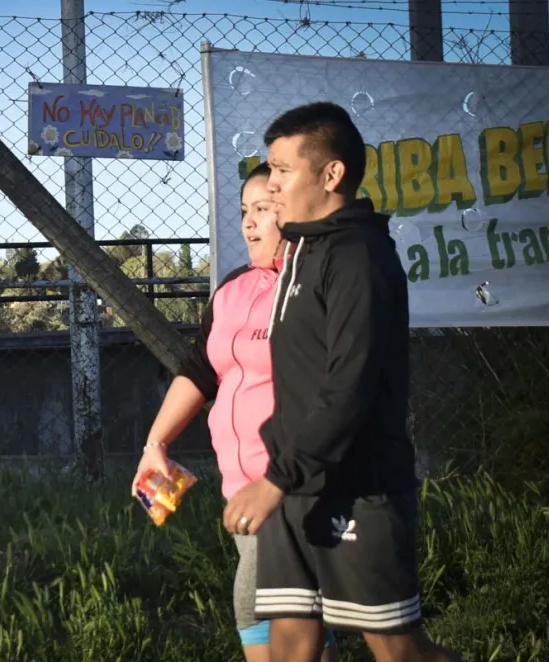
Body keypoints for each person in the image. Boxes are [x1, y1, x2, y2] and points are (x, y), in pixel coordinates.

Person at [223, 102, 462, 662]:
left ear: (331, 175)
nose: (272, 184)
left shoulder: (360, 256)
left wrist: (276, 478)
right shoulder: (304, 250)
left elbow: (349, 385)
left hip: (359, 488)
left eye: (282, 170)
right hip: (297, 489)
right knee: (291, 642)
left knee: (396, 649)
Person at [131, 162, 337, 662]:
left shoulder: (318, 284)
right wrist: (154, 444)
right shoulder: (233, 288)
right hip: (241, 489)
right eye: (244, 211)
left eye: (262, 209)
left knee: (264, 611)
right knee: (293, 623)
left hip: (291, 485)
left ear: (294, 210)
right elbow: (200, 369)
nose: (248, 223)